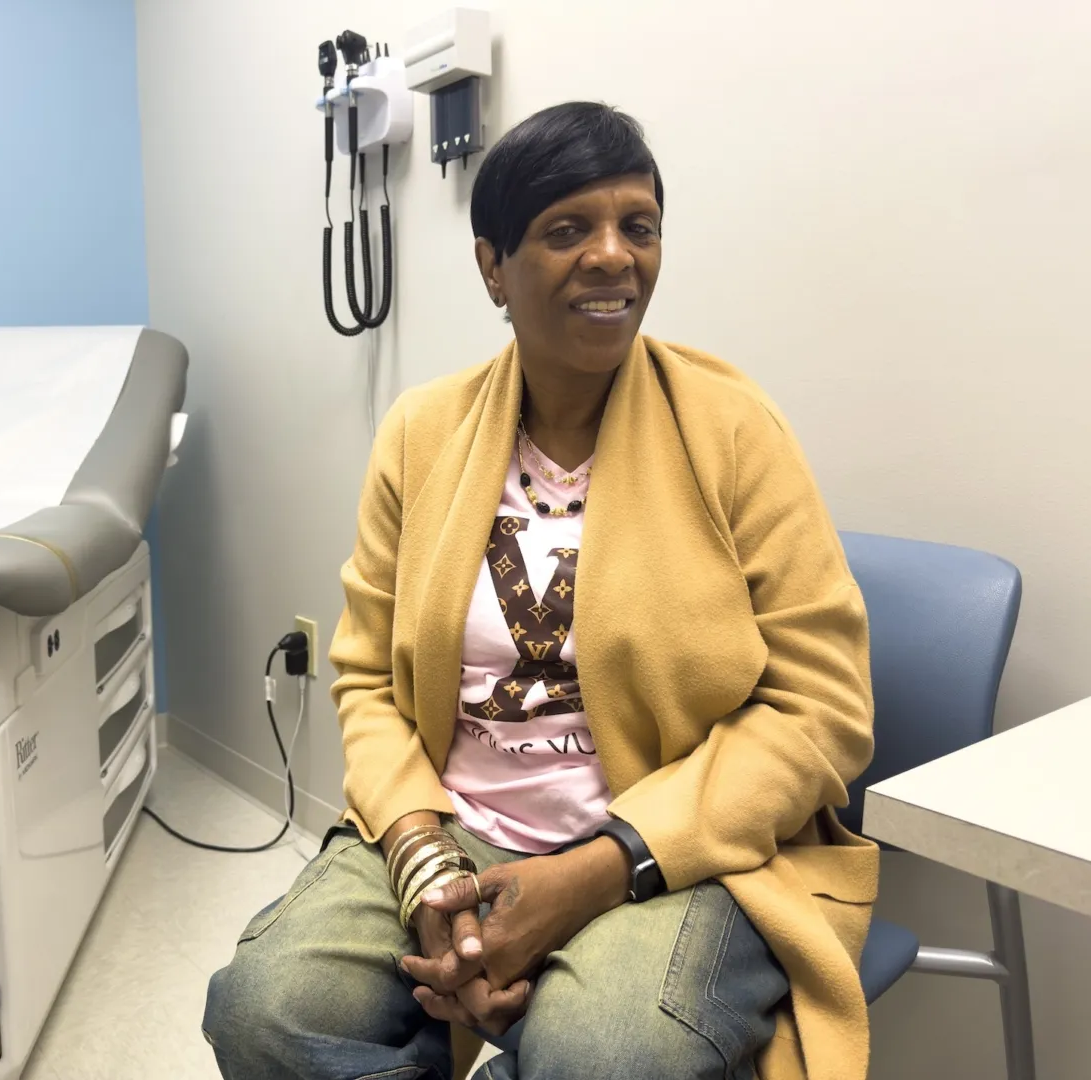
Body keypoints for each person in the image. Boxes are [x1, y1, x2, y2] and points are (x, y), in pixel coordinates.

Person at [202, 101, 878, 1080]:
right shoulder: (421, 435)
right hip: (457, 825)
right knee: (263, 1010)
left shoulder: (734, 433)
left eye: (638, 226)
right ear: (494, 267)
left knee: (596, 1056)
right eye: (568, 230)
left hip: (670, 844)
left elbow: (821, 709)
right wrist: (426, 866)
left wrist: (599, 869)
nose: (613, 256)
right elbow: (367, 681)